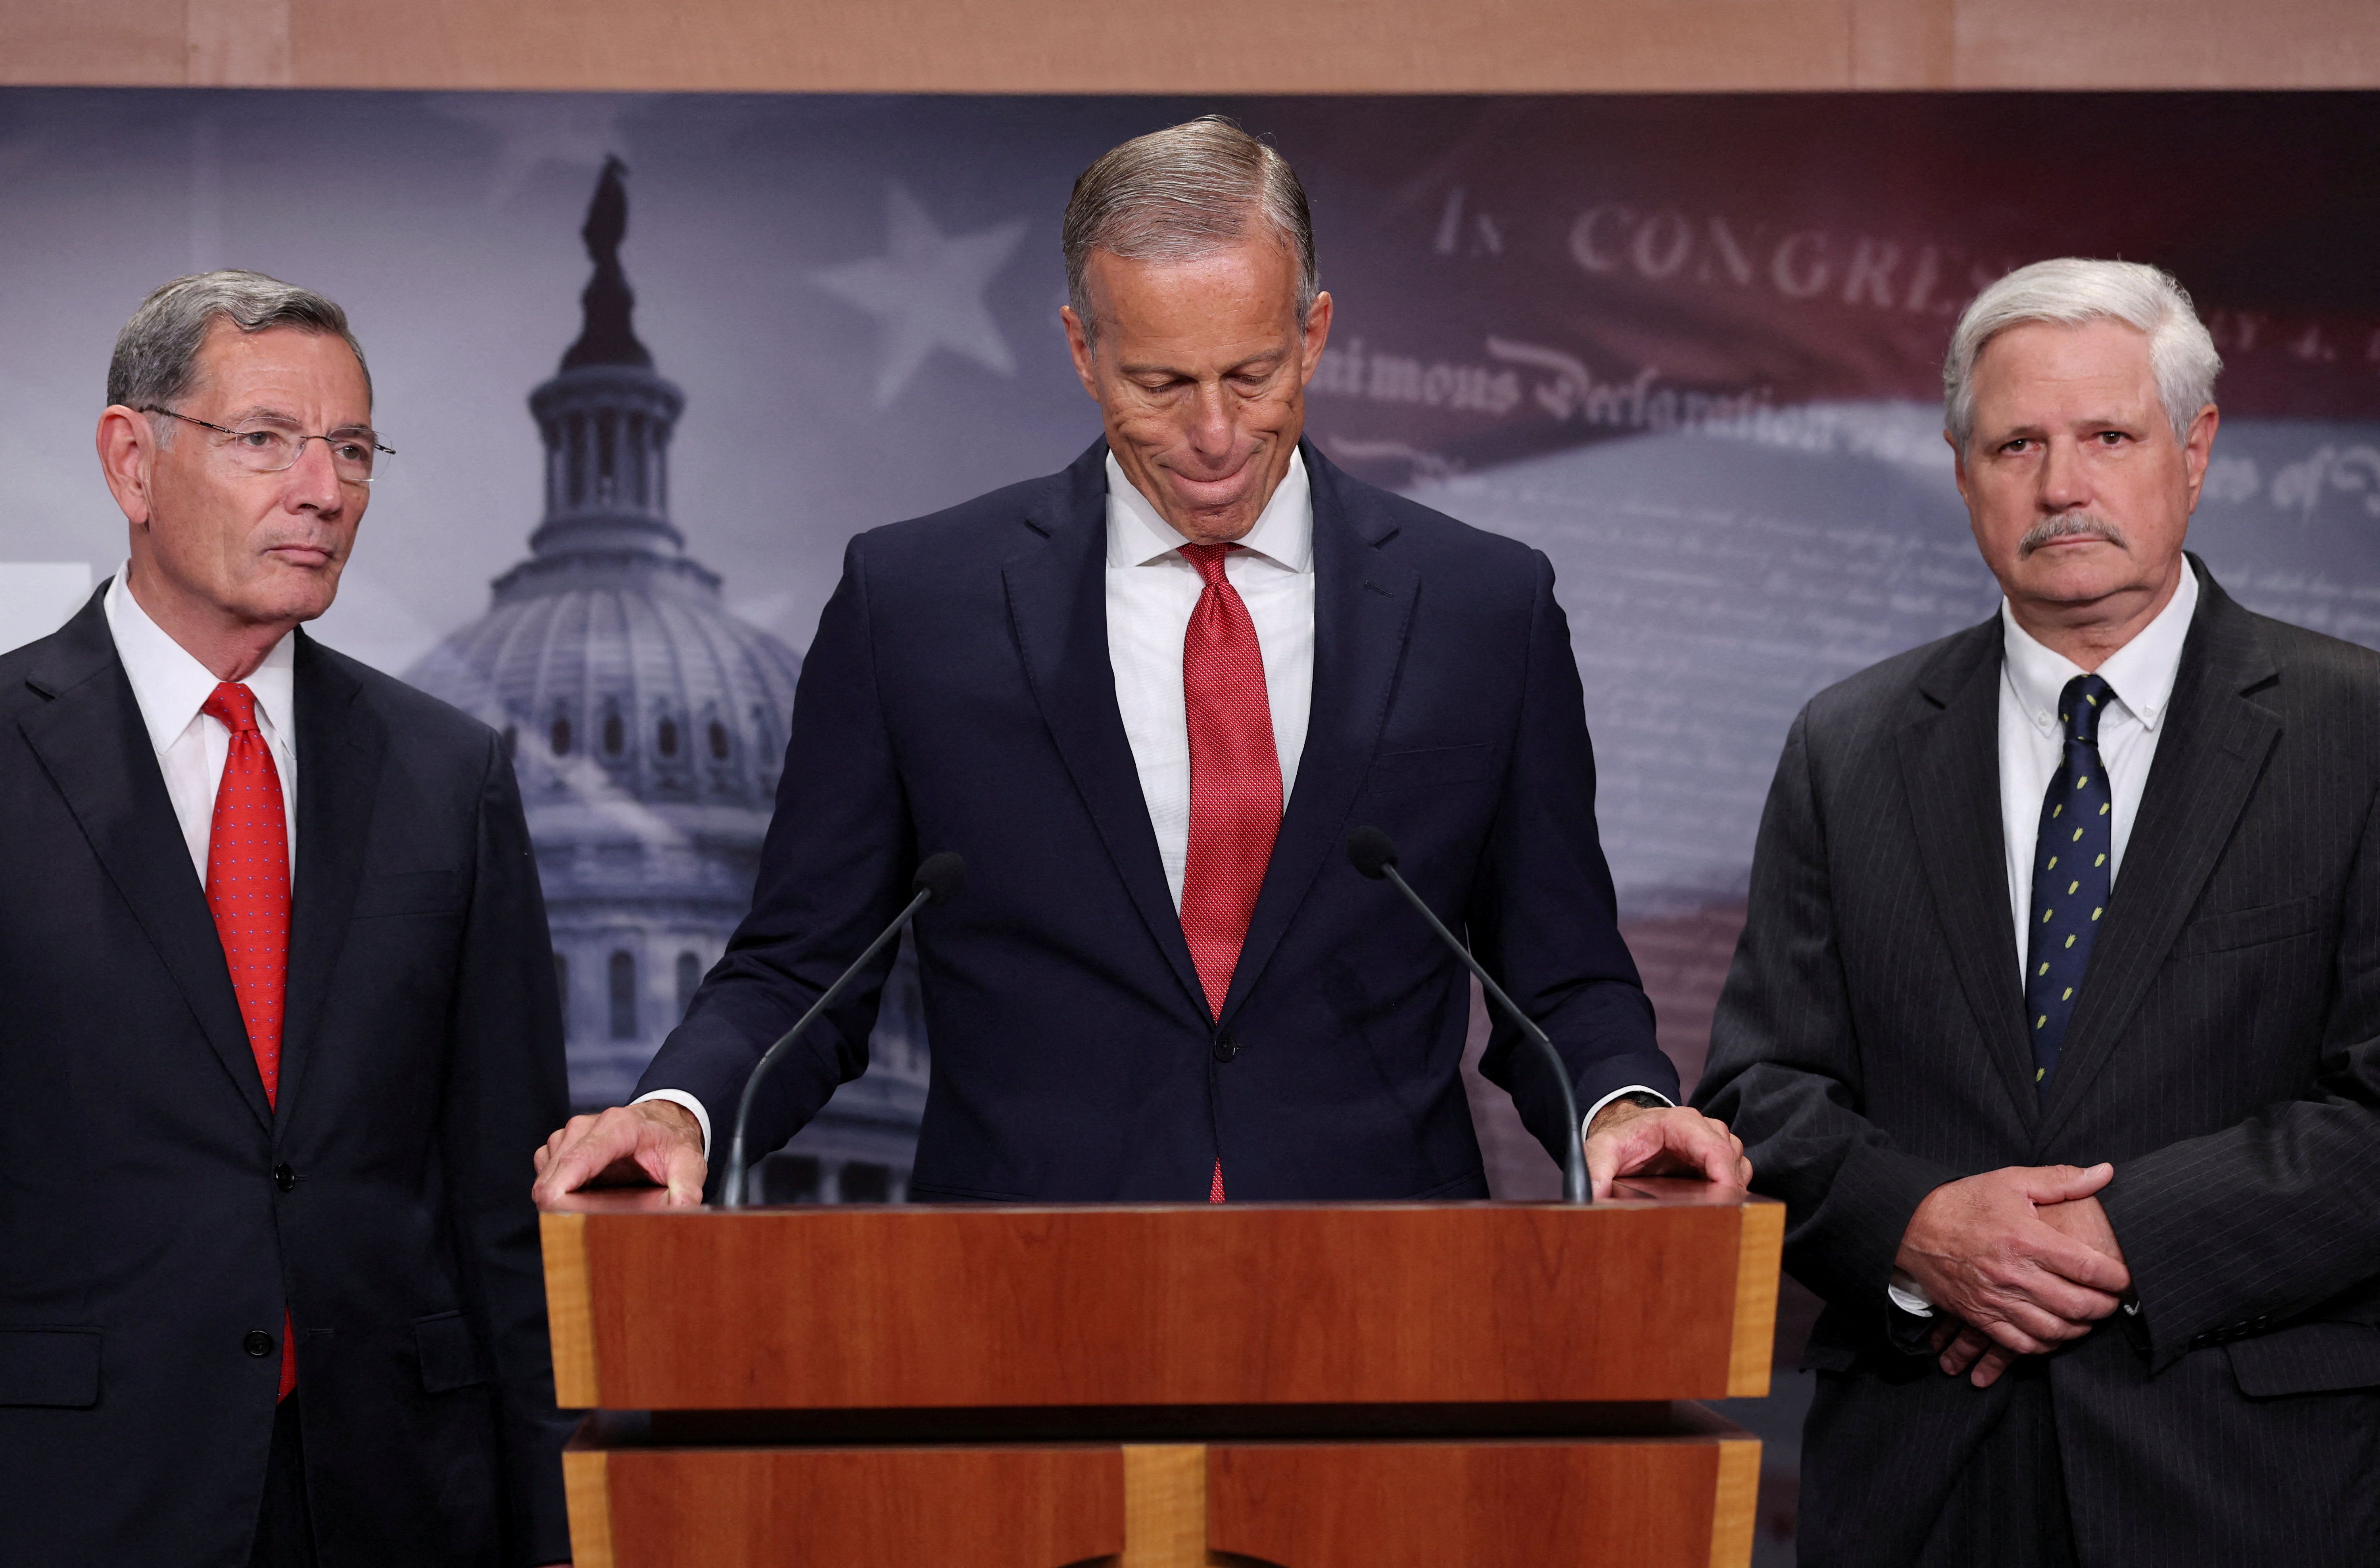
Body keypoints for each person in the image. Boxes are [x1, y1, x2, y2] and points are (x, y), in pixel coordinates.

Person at [532, 117, 1747, 1210]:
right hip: (1020, 1296)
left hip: (1380, 1303)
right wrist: (674, 1111)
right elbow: (804, 962)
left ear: (1314, 331)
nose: (1216, 436)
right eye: (1161, 383)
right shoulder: (914, 604)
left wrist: (1624, 1108)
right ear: (1081, 348)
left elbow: (1563, 973)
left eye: (1253, 375)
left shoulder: (1486, 605)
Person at [1694, 257, 2380, 1568]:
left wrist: (2122, 1235)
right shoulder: (1850, 746)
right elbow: (1761, 1094)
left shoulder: (2355, 731)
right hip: (1923, 1478)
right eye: (2017, 443)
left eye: (2108, 437)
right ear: (1963, 474)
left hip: (2253, 1490)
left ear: (2196, 449)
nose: (2062, 485)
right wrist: (1920, 1229)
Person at [0, 272, 574, 1567]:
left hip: (395, 1497)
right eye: (265, 439)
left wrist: (550, 1528)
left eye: (354, 449)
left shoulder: (450, 773)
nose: (323, 489)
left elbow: (504, 1204)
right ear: (131, 460)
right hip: (72, 1493)